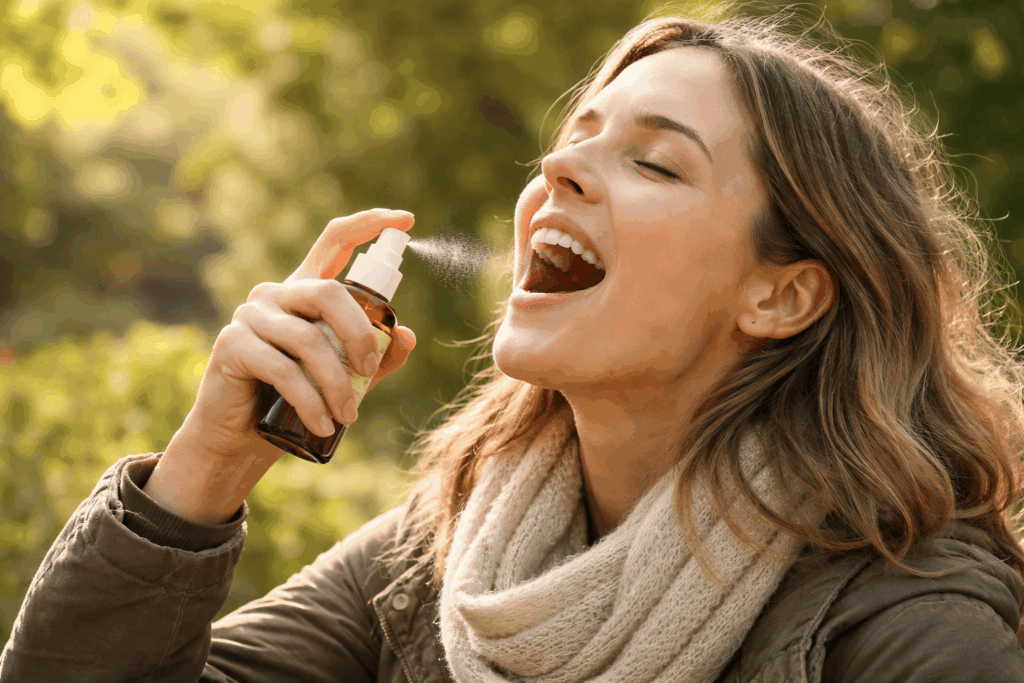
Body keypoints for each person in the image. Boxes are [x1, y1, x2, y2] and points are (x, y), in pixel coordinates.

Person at [3, 11, 1024, 683]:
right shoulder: (447, 555)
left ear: (783, 292)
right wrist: (207, 469)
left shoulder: (910, 629)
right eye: (577, 135)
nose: (560, 165)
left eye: (654, 163)